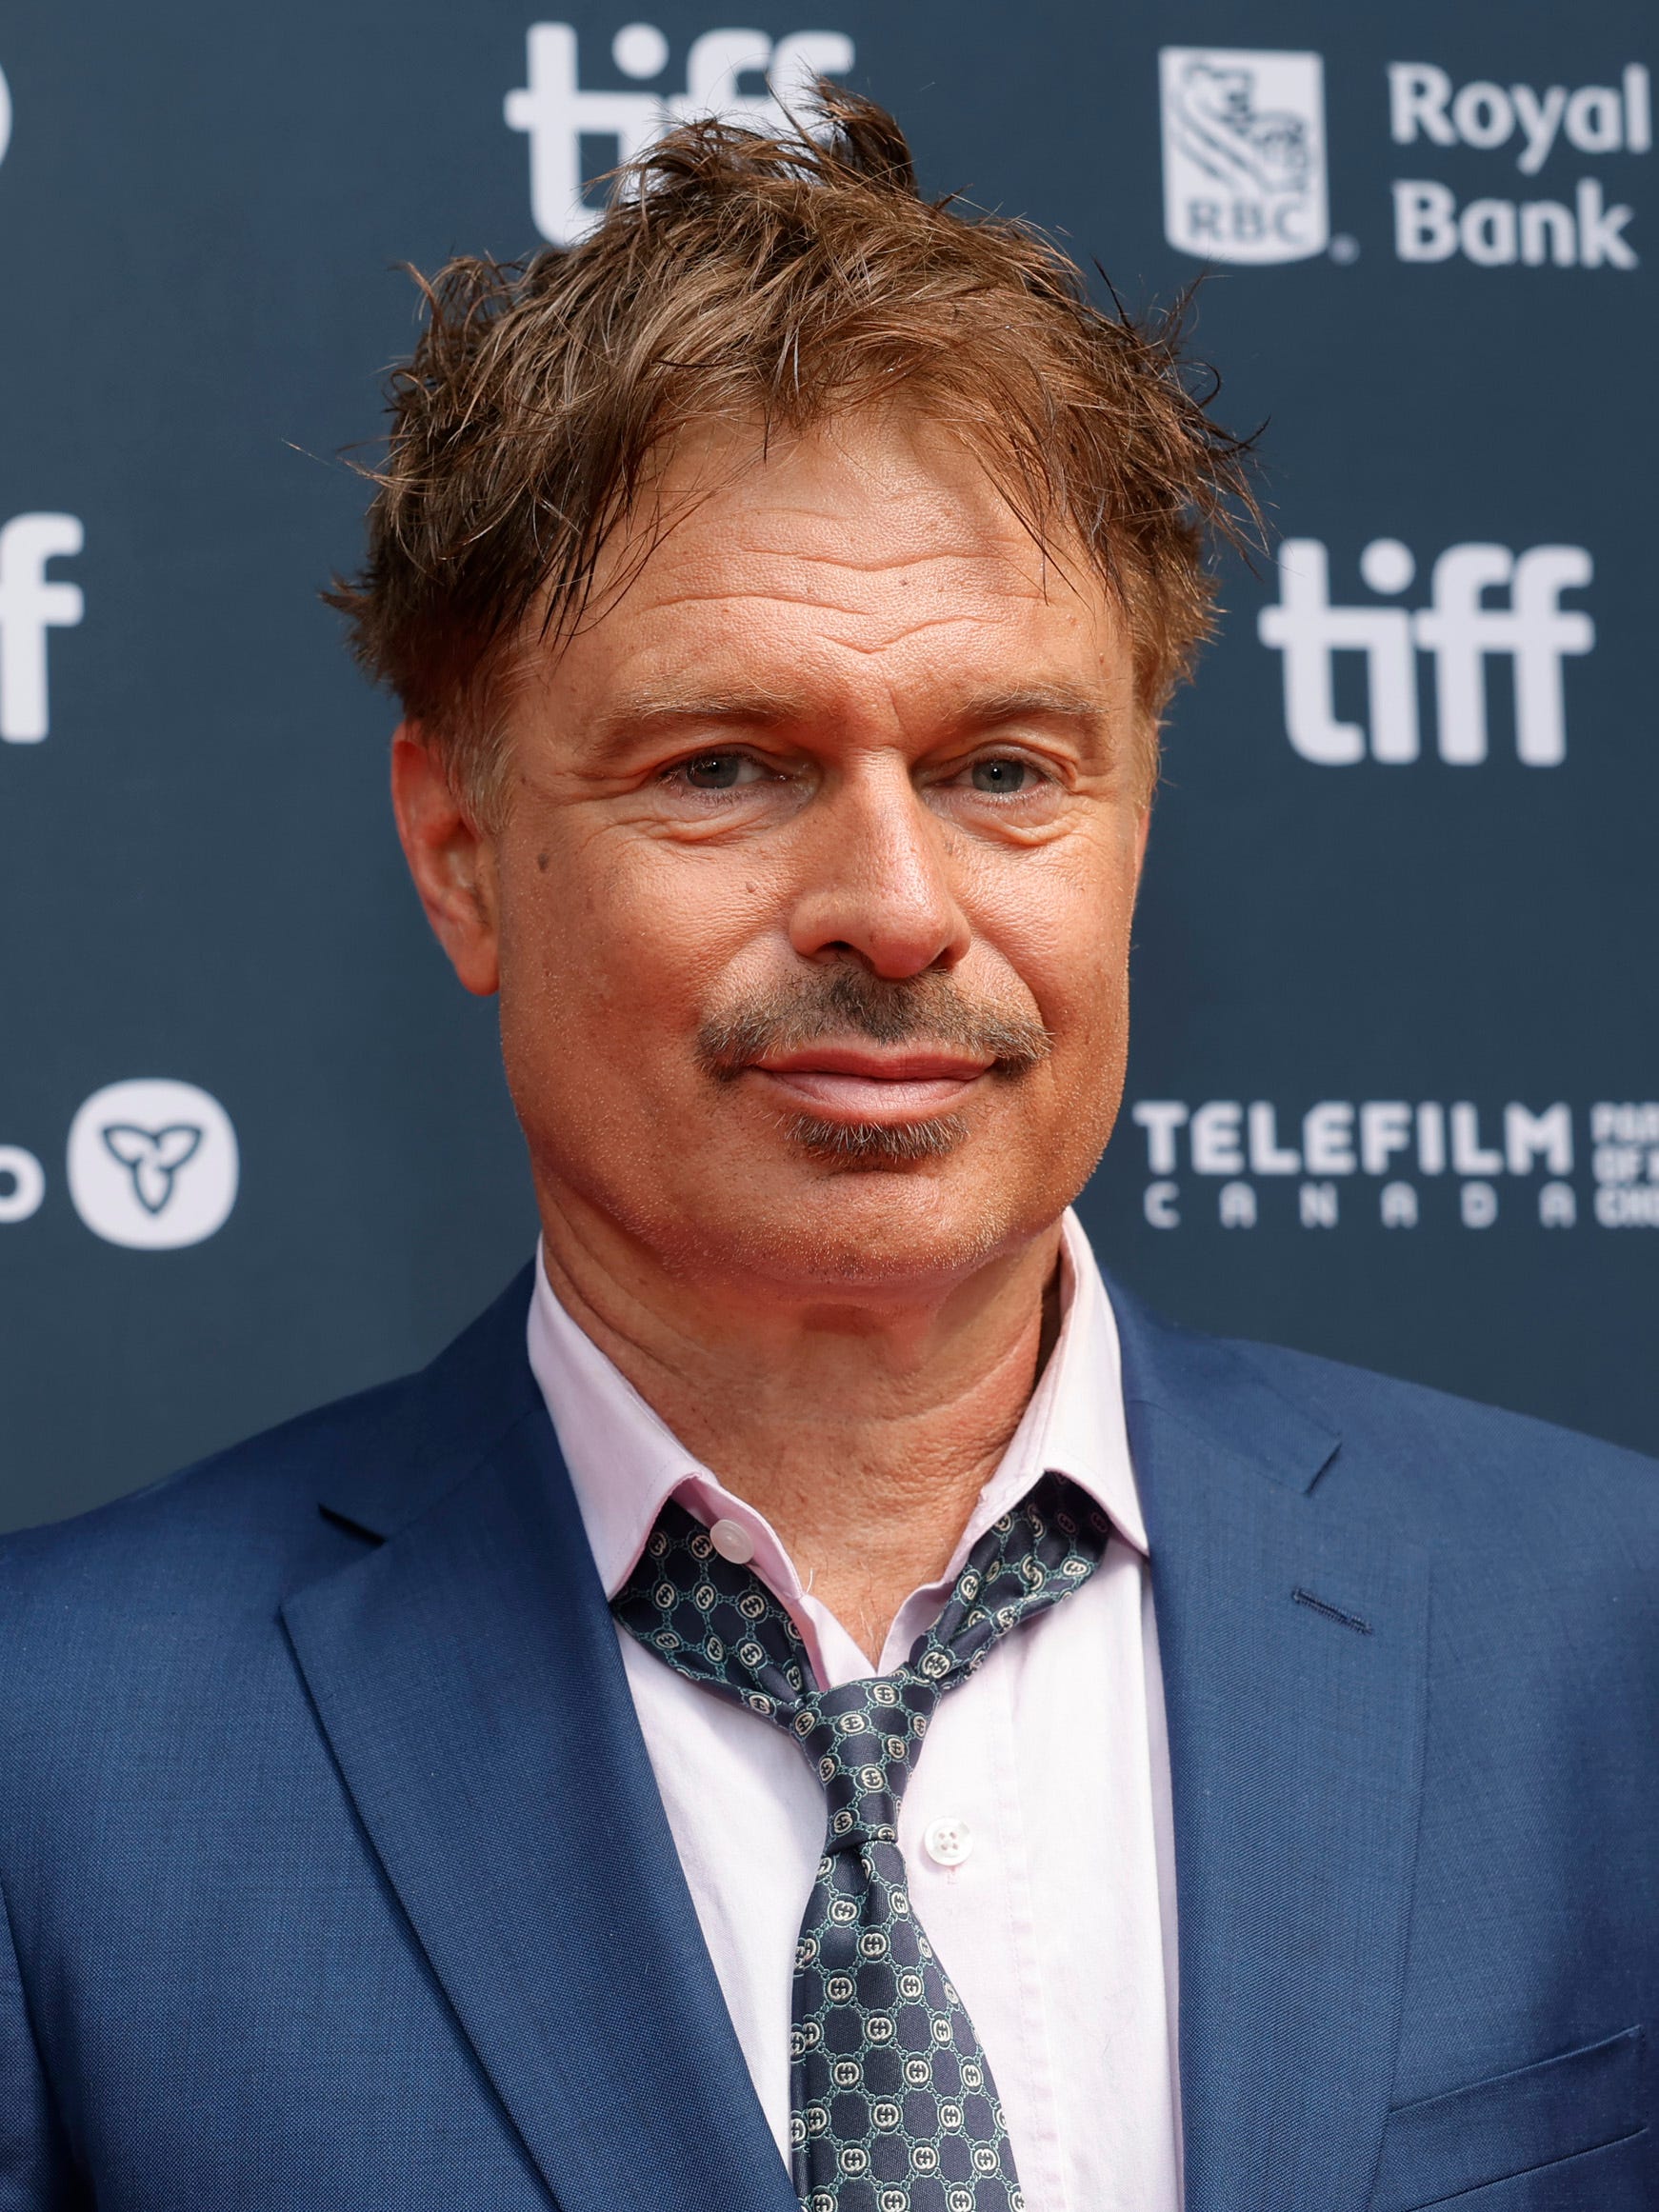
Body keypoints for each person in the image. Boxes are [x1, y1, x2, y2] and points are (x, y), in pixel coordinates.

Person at [0, 90, 1652, 2212]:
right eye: (725, 767)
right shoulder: (61, 1753)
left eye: (1001, 768)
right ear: (460, 848)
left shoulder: (1600, 1636)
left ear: (1136, 812)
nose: (894, 905)